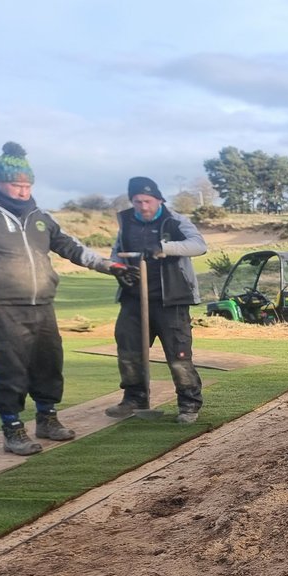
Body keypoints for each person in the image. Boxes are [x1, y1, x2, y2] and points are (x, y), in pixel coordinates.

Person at [0, 142, 136, 456]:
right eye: (16, 185)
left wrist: (111, 266)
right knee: (12, 370)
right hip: (2, 307)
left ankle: (47, 418)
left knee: (49, 365)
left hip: (42, 303)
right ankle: (12, 428)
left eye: (27, 185)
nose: (23, 190)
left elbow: (72, 247)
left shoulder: (41, 216)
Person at [108, 176, 207, 424]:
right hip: (133, 298)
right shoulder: (127, 221)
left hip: (171, 299)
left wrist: (165, 247)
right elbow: (116, 251)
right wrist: (118, 268)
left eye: (148, 201)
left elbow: (198, 245)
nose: (143, 206)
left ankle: (189, 403)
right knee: (129, 351)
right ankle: (134, 398)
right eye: (137, 201)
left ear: (159, 199)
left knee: (179, 355)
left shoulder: (174, 221)